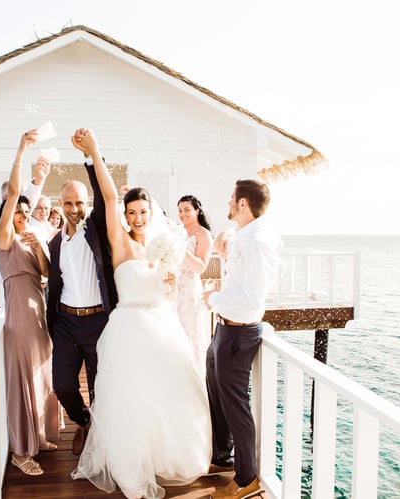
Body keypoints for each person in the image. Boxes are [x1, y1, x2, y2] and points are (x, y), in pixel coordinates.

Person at [70, 128, 211, 499]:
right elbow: (109, 194)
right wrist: (96, 151)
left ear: (152, 213)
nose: (136, 218)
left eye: (142, 212)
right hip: (128, 328)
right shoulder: (119, 241)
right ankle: (132, 466)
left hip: (161, 324)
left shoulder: (163, 246)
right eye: (131, 213)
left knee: (168, 393)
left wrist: (167, 278)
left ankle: (164, 458)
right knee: (129, 398)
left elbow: (168, 290)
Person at [201, 179, 280, 499]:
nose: (228, 202)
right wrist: (226, 240)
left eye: (232, 198)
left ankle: (247, 478)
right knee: (215, 391)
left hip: (238, 332)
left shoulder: (257, 241)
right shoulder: (244, 235)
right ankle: (223, 455)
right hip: (223, 329)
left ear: (243, 204)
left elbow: (252, 300)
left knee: (236, 407)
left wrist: (213, 299)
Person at [0, 129, 61, 476]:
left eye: (25, 213)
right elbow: (17, 191)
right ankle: (21, 451)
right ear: (8, 212)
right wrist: (21, 148)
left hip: (39, 314)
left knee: (42, 375)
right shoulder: (4, 241)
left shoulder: (30, 239)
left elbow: (47, 273)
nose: (22, 216)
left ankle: (41, 434)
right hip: (19, 315)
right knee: (22, 381)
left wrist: (38, 246)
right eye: (17, 211)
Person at [46, 133, 118, 457]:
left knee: (102, 388)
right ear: (60, 205)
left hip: (100, 322)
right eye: (68, 203)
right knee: (62, 384)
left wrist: (91, 156)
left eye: (79, 202)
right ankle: (82, 421)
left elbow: (106, 195)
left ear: (87, 204)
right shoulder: (54, 243)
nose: (74, 208)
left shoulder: (97, 229)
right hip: (66, 324)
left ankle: (100, 433)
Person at [175, 194, 214, 374]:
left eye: (187, 210)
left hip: (190, 291)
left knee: (191, 334)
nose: (183, 214)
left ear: (197, 210)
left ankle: (195, 376)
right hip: (173, 289)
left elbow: (200, 266)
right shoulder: (178, 231)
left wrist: (180, 250)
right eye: (181, 210)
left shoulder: (203, 234)